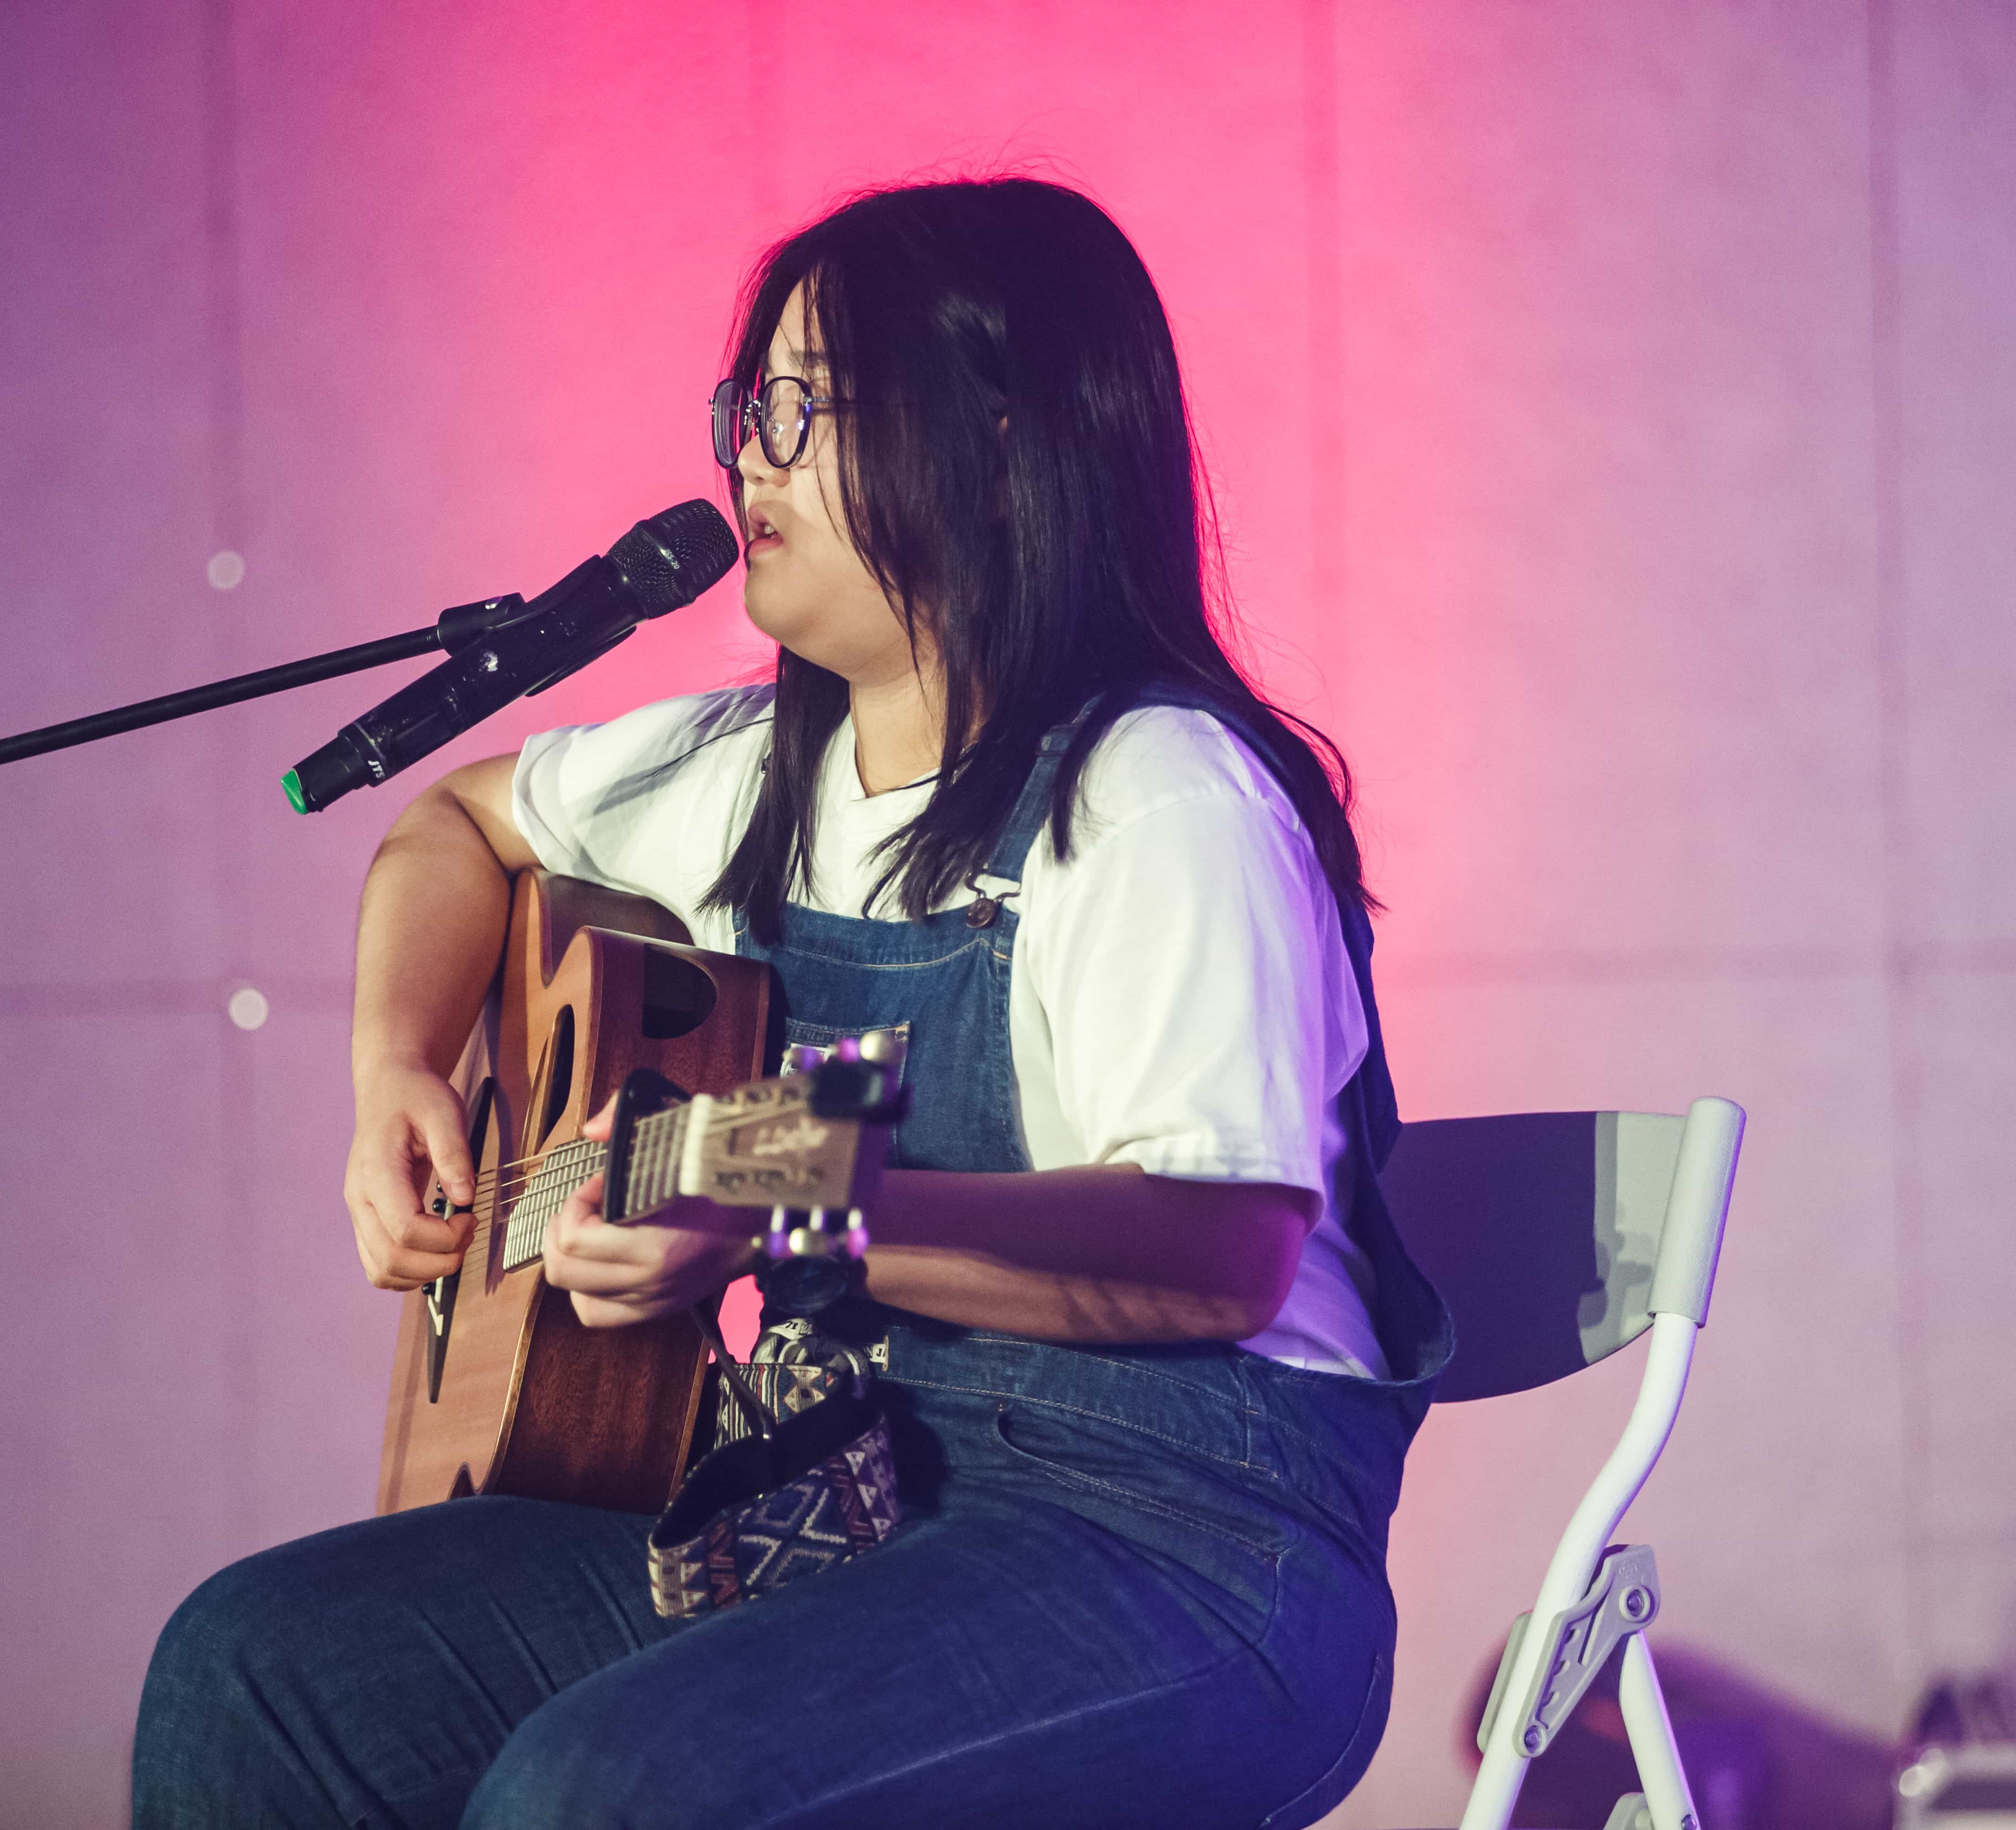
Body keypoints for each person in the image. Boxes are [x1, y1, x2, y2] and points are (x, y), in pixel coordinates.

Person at [132, 176, 1450, 1830]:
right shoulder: (753, 768)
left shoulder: (1155, 794)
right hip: (859, 1500)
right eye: (750, 406)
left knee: (599, 1791)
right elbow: (454, 826)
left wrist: (778, 1209)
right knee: (255, 1668)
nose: (748, 460)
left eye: (804, 409)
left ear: (994, 436)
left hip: (1188, 1549)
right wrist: (396, 1067)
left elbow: (1218, 1251)